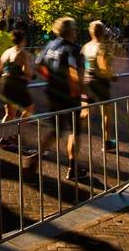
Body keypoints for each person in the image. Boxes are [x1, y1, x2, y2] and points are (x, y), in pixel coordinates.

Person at [29, 17, 86, 180]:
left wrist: (52, 78)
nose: (76, 32)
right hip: (70, 95)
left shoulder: (50, 45)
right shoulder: (72, 48)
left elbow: (38, 64)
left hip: (53, 93)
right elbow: (75, 71)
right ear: (69, 31)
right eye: (74, 29)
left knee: (57, 130)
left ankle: (38, 156)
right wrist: (82, 93)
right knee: (75, 131)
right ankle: (73, 168)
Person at [0, 29, 35, 150]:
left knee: (9, 113)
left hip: (5, 83)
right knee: (29, 108)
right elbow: (26, 71)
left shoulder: (6, 52)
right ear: (23, 40)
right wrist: (31, 75)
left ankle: (3, 138)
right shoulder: (22, 53)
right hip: (17, 84)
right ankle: (16, 132)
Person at [81, 20, 116, 149]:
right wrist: (112, 76)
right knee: (106, 112)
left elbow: (84, 64)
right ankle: (106, 142)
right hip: (100, 82)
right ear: (102, 32)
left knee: (85, 112)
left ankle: (75, 135)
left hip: (87, 80)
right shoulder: (102, 47)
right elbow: (104, 67)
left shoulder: (86, 46)